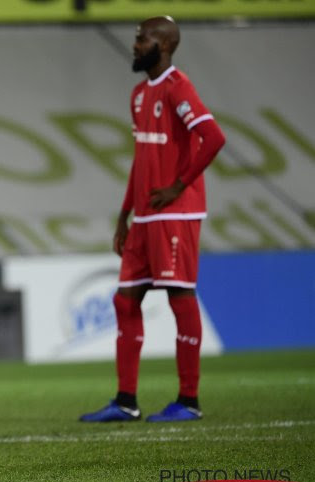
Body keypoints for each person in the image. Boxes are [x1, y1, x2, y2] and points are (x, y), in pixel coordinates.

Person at [79, 16, 226, 423]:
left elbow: (213, 138)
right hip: (144, 216)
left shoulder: (178, 87)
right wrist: (123, 216)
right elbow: (142, 160)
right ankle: (126, 400)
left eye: (142, 38)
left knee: (180, 297)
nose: (134, 44)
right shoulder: (140, 94)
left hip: (174, 214)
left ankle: (189, 401)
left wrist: (179, 186)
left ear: (163, 44)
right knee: (125, 300)